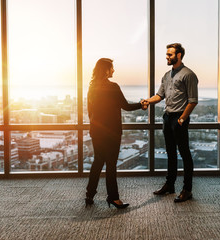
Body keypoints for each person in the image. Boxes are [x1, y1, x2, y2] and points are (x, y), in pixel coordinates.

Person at [85, 58, 147, 209]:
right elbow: (125, 106)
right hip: (111, 132)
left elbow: (90, 112)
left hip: (97, 131)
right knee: (111, 165)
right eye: (111, 68)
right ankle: (113, 198)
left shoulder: (92, 87)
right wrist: (141, 104)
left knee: (97, 162)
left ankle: (89, 195)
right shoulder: (112, 87)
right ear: (105, 70)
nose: (113, 71)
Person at [143, 43, 198, 203]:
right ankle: (170, 185)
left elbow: (193, 101)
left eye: (170, 55)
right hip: (167, 117)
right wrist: (147, 101)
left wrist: (182, 118)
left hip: (179, 118)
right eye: (167, 54)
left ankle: (187, 190)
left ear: (179, 55)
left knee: (185, 154)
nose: (167, 57)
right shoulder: (166, 75)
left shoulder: (189, 75)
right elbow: (159, 96)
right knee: (170, 153)